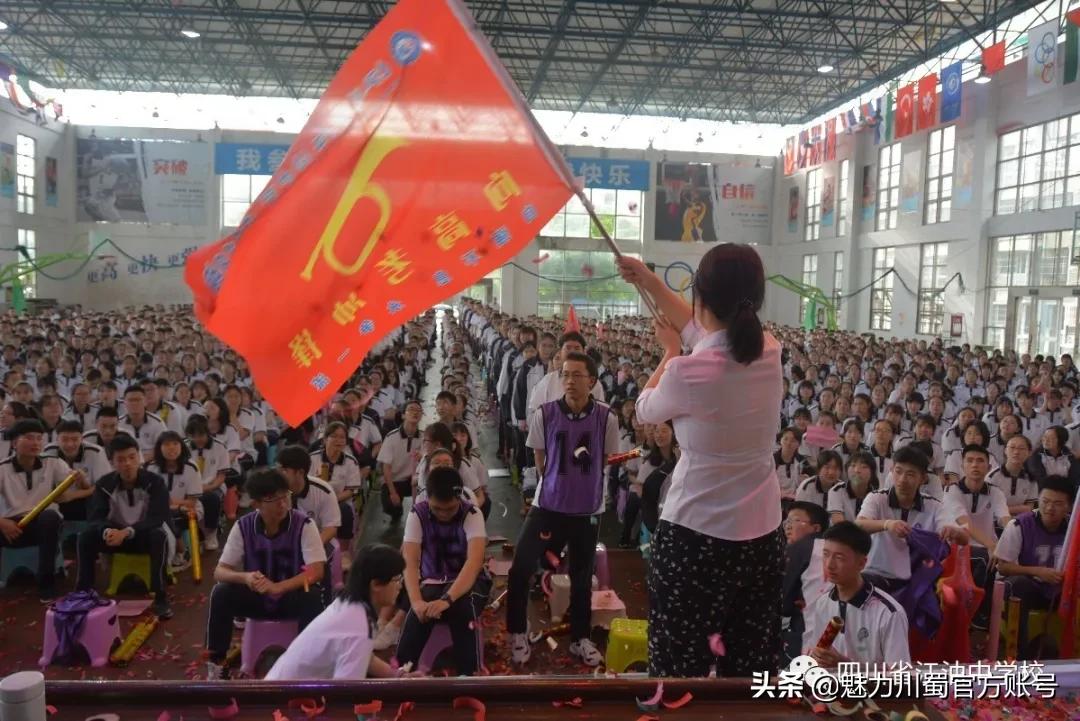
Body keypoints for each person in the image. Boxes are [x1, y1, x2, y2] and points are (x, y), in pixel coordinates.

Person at [618, 245, 785, 679]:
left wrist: (670, 351)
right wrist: (647, 280)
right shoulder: (769, 351)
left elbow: (644, 409)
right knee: (749, 668)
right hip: (762, 536)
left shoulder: (687, 371)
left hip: (697, 539)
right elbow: (703, 328)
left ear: (701, 296)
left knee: (679, 668)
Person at [507, 350, 620, 667]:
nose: (569, 381)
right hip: (548, 505)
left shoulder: (607, 418)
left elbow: (606, 459)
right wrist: (559, 483)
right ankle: (517, 632)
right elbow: (540, 459)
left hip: (587, 509)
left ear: (592, 381)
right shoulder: (545, 414)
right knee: (520, 568)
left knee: (582, 577)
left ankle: (580, 638)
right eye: (565, 374)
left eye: (577, 375)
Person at [205, 469, 326, 680]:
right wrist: (245, 578)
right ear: (256, 504)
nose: (282, 504)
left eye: (285, 496)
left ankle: (307, 664)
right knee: (221, 592)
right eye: (273, 499)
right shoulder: (243, 526)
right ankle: (217, 665)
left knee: (313, 595)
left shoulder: (304, 525)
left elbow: (316, 570)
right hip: (258, 599)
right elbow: (220, 571)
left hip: (291, 597)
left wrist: (279, 587)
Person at [396, 467, 490, 676]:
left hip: (471, 583)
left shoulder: (472, 514)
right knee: (419, 611)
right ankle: (401, 672)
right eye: (437, 509)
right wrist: (416, 602)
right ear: (428, 498)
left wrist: (447, 599)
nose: (444, 514)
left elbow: (473, 563)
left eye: (450, 509)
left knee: (462, 606)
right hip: (433, 582)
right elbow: (410, 562)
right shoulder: (417, 514)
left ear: (459, 498)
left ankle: (469, 674)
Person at [266, 544, 406, 680]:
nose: (400, 586)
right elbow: (346, 690)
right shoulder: (357, 626)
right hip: (285, 694)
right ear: (375, 584)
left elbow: (365, 656)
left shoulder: (350, 607)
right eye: (397, 579)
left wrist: (399, 676)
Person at [76, 434, 172, 617]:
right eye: (120, 460)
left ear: (139, 457)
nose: (127, 464)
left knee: (159, 535)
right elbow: (96, 517)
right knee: (85, 537)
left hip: (142, 535)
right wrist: (107, 531)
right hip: (115, 537)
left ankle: (160, 597)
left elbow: (157, 518)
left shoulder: (155, 482)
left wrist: (127, 532)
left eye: (132, 457)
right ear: (112, 462)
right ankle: (83, 593)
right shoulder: (104, 484)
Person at [856, 446, 969, 593]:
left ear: (923, 478)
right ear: (891, 470)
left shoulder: (934, 506)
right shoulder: (876, 498)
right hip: (877, 575)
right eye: (898, 471)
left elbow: (964, 539)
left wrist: (953, 531)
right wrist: (887, 524)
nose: (902, 479)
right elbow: (859, 525)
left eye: (910, 474)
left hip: (918, 579)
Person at [0, 419, 89, 600]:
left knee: (50, 517)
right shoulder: (3, 468)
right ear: (15, 443)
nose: (35, 443)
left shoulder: (53, 462)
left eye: (39, 438)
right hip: (12, 526)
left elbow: (79, 486)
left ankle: (46, 582)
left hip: (44, 523)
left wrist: (81, 479)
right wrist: (2, 523)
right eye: (29, 438)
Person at [801, 522, 910, 668]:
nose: (829, 565)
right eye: (826, 554)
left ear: (861, 563)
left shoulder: (888, 613)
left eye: (839, 557)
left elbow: (900, 673)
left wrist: (844, 665)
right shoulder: (823, 603)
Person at [993, 475, 1074, 660]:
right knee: (1017, 585)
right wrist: (1037, 572)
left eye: (1058, 504)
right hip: (1031, 589)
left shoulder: (1074, 529)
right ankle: (1020, 657)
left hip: (1062, 590)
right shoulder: (1019, 525)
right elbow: (1003, 566)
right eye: (1045, 501)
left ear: (1068, 507)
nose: (1050, 508)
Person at [145, 430, 203, 572]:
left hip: (188, 508)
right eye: (166, 444)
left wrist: (168, 503)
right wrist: (166, 504)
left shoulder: (191, 467)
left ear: (182, 446)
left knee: (172, 517)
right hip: (160, 509)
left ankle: (182, 553)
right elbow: (147, 497)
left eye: (175, 443)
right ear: (159, 448)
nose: (171, 448)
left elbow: (191, 502)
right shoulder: (151, 467)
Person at [781, 501, 830, 663]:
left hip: (807, 634)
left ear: (816, 528)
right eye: (786, 522)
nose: (788, 526)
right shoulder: (839, 548)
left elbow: (783, 601)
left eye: (794, 521)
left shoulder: (798, 549)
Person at [45, 419, 112, 523]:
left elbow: (103, 487)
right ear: (57, 439)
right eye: (64, 439)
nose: (70, 444)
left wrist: (72, 495)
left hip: (87, 499)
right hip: (58, 499)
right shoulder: (48, 451)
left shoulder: (96, 452)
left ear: (82, 439)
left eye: (75, 439)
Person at [376, 400, 424, 523]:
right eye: (411, 409)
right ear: (403, 415)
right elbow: (386, 467)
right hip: (394, 480)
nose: (415, 413)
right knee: (390, 505)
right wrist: (393, 493)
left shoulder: (424, 437)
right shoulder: (391, 437)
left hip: (414, 481)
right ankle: (397, 511)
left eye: (418, 411)